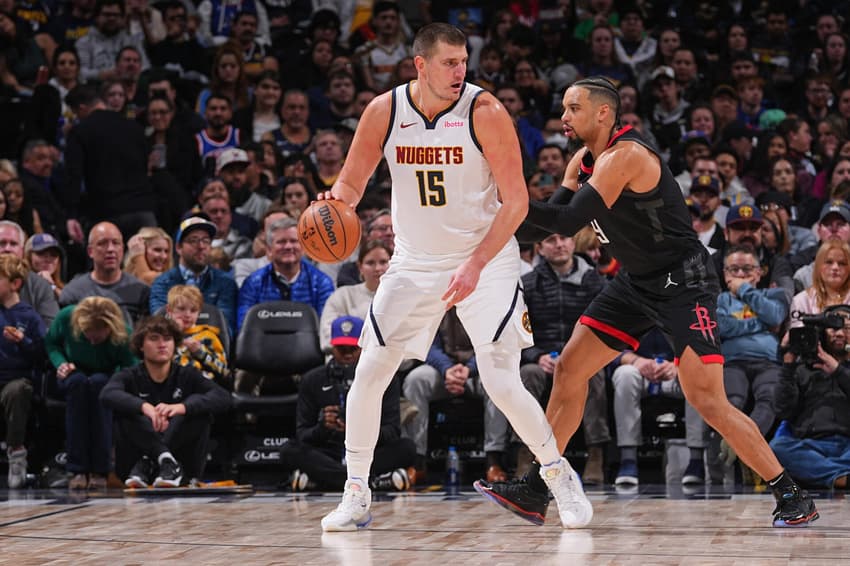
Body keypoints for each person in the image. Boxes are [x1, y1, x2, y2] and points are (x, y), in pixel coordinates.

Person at [480, 76, 819, 528]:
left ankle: (791, 493)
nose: (563, 117)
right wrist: (478, 218)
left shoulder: (627, 156)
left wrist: (509, 195)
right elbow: (543, 229)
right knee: (570, 368)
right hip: (636, 282)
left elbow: (566, 219)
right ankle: (539, 487)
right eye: (563, 108)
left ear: (603, 113)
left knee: (707, 399)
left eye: (572, 108)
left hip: (685, 282)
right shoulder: (582, 161)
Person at [320, 24, 578, 533]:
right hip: (415, 260)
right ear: (420, 64)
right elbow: (351, 182)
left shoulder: (485, 112)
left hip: (487, 255)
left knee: (502, 380)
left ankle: (557, 476)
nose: (460, 72)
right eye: (449, 63)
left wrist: (477, 264)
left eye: (464, 62)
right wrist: (334, 204)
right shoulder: (384, 111)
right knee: (369, 372)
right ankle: (356, 492)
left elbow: (518, 202)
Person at [281, 315, 416, 492]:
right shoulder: (312, 380)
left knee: (407, 448)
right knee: (288, 450)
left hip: (368, 452)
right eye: (341, 348)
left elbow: (392, 432)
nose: (347, 354)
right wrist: (322, 427)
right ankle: (365, 481)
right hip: (328, 451)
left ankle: (324, 480)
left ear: (363, 346)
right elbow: (303, 434)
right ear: (332, 347)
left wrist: (362, 428)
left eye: (352, 348)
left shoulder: (385, 378)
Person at [100, 315, 231, 487]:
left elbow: (224, 397)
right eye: (154, 339)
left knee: (195, 403)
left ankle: (155, 461)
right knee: (127, 408)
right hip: (133, 471)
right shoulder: (129, 375)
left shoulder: (187, 374)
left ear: (175, 345)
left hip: (178, 466)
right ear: (141, 345)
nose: (162, 344)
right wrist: (145, 407)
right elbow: (106, 394)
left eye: (168, 339)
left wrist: (181, 407)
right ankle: (162, 460)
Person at [46, 296, 136, 490]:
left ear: (110, 328)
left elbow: (131, 368)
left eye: (98, 334)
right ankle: (77, 469)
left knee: (99, 386)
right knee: (77, 384)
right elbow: (51, 344)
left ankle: (101, 469)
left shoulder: (124, 335)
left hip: (107, 377)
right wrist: (60, 363)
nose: (91, 339)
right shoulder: (66, 317)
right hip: (73, 373)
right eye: (87, 333)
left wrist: (116, 378)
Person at [771, 304, 850, 489]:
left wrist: (838, 371)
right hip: (810, 446)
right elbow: (783, 410)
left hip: (848, 445)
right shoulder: (802, 370)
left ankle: (825, 474)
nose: (838, 333)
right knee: (778, 448)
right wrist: (788, 366)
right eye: (833, 327)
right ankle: (841, 477)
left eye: (846, 328)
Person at [0, 255, 46, 489]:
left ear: (15, 284)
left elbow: (43, 355)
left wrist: (23, 341)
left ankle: (17, 454)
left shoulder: (29, 316)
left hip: (15, 379)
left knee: (18, 391)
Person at [60, 222, 151, 325]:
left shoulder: (140, 290)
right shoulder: (73, 292)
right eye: (102, 243)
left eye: (116, 243)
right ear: (90, 251)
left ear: (122, 249)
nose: (110, 249)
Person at [165, 285, 228, 384]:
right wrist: (176, 335)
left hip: (202, 387)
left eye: (193, 310)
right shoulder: (163, 336)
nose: (187, 315)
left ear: (199, 313)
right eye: (181, 309)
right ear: (169, 310)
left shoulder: (208, 336)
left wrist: (200, 352)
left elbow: (223, 370)